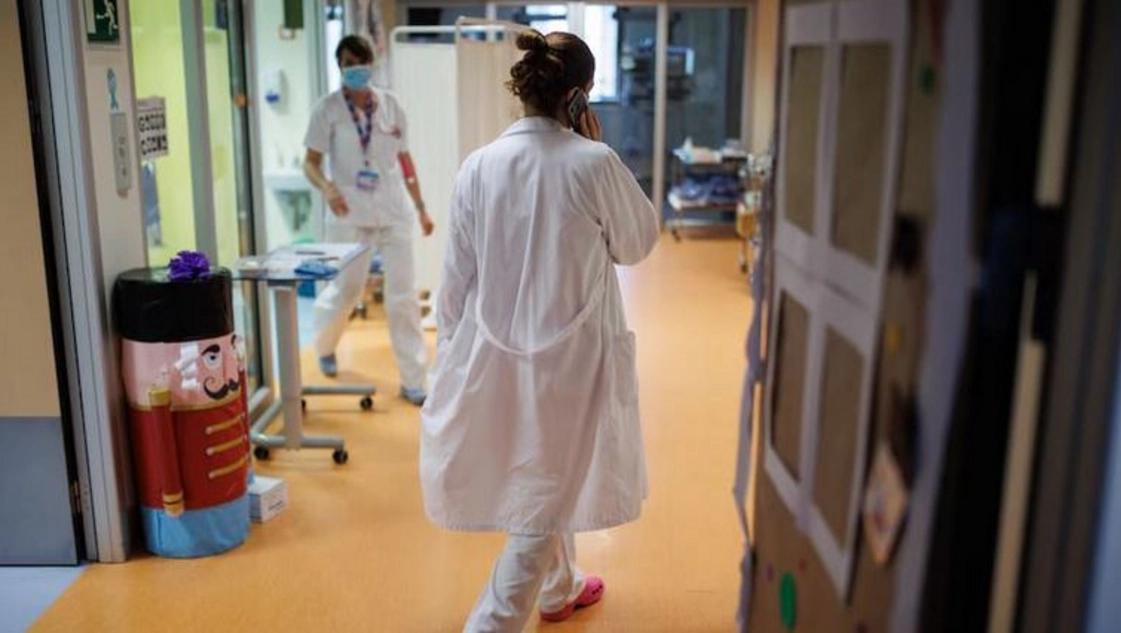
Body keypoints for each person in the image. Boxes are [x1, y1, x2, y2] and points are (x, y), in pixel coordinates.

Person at [420, 30, 659, 632]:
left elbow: (455, 283)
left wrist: (451, 359)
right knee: (546, 489)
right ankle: (491, 623)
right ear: (579, 97)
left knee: (545, 473)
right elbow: (636, 243)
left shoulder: (479, 167)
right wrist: (595, 147)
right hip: (573, 361)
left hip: (493, 355)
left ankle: (561, 587)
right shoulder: (594, 163)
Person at [303, 35, 432, 406]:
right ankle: (325, 345)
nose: (355, 68)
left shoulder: (391, 106)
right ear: (339, 67)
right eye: (348, 63)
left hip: (393, 210)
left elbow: (404, 160)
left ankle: (414, 381)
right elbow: (310, 163)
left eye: (360, 61)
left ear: (371, 64)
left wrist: (421, 207)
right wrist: (327, 188)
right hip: (349, 212)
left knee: (403, 297)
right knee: (348, 290)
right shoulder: (327, 110)